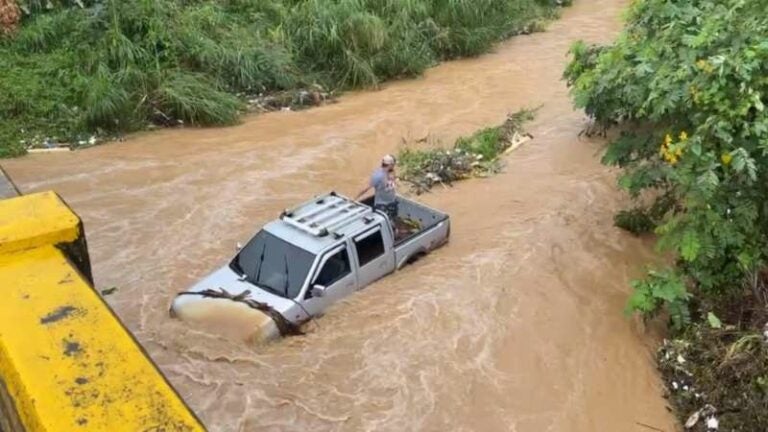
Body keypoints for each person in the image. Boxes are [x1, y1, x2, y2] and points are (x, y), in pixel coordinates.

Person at [355, 154, 398, 220]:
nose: (394, 166)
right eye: (393, 164)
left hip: (392, 202)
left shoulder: (392, 172)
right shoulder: (378, 176)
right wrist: (355, 198)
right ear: (390, 165)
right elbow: (366, 187)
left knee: (393, 220)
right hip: (382, 205)